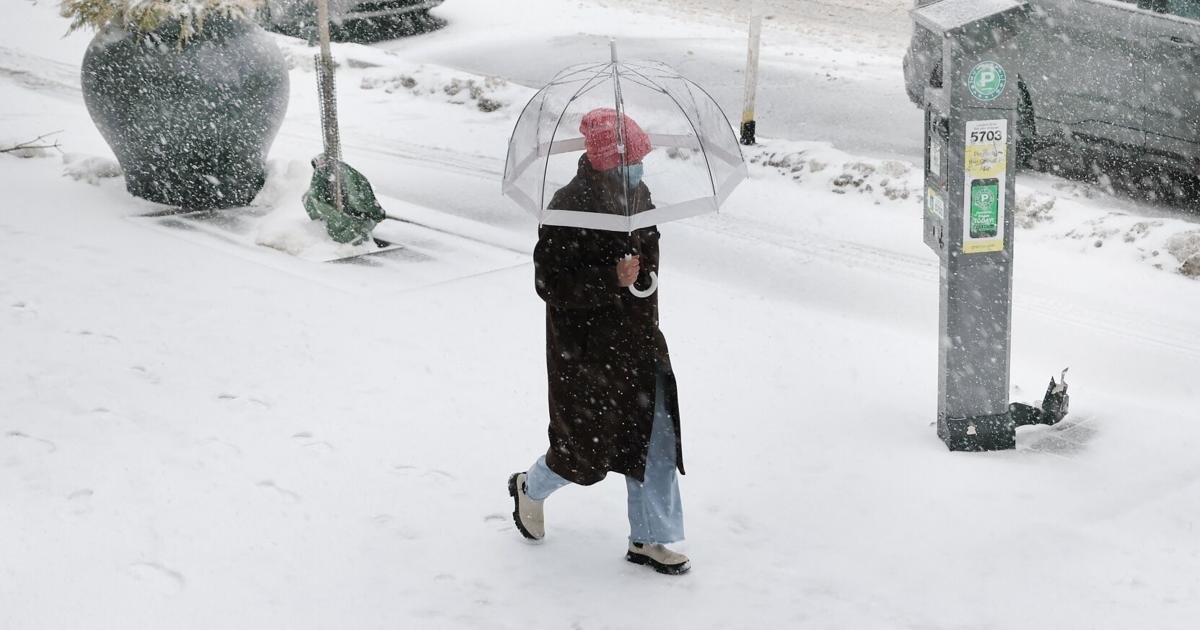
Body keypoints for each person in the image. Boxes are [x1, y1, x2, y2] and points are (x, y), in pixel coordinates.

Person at [508, 108, 689, 575]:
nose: (641, 169)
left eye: (643, 160)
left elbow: (650, 245)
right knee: (582, 454)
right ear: (608, 160)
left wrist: (641, 269)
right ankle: (530, 487)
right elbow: (550, 282)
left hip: (640, 343)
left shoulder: (637, 194)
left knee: (653, 443)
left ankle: (648, 539)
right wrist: (609, 277)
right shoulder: (569, 206)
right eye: (634, 160)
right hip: (589, 356)